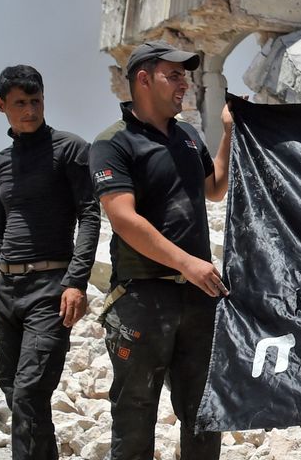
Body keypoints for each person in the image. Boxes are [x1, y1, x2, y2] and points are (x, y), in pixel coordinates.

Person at [89, 40, 233, 460]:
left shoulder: (187, 136)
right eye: (174, 75)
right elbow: (124, 219)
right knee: (135, 418)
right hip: (142, 300)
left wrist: (227, 133)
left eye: (186, 75)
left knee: (205, 415)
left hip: (197, 297)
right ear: (143, 79)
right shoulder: (113, 144)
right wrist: (188, 263)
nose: (184, 84)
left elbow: (215, 187)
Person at [0, 65, 100, 460]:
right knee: (14, 386)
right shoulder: (2, 162)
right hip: (8, 292)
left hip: (50, 290)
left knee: (29, 391)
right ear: (1, 105)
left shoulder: (71, 150)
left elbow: (90, 216)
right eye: (20, 103)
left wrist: (77, 282)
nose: (30, 111)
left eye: (35, 101)